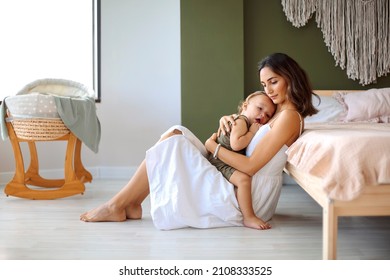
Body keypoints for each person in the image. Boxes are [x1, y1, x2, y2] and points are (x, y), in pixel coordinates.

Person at [80, 52, 318, 231]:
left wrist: (212, 146)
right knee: (176, 133)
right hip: (236, 179)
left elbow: (251, 165)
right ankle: (132, 203)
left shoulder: (288, 117)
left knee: (175, 143)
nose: (269, 90)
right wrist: (233, 119)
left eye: (273, 81)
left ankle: (116, 206)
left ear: (290, 77)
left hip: (247, 196)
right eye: (264, 84)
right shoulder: (276, 112)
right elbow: (251, 132)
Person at [207, 91, 276, 230]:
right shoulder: (241, 121)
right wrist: (252, 133)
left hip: (222, 158)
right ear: (245, 106)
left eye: (268, 115)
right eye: (260, 108)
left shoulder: (243, 122)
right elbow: (236, 144)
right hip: (219, 161)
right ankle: (249, 217)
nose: (263, 115)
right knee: (243, 180)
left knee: (243, 179)